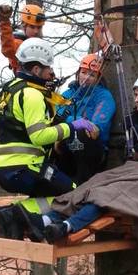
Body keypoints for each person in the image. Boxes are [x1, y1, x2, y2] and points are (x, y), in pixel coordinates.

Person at [12, 71, 138, 243]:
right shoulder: (130, 120)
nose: (137, 99)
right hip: (129, 171)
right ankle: (46, 220)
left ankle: (67, 226)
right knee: (88, 188)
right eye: (135, 95)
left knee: (108, 196)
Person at [0, 38, 96, 240]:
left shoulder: (9, 89)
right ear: (37, 70)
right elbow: (38, 136)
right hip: (25, 167)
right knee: (73, 196)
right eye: (49, 68)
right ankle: (13, 213)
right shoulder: (32, 94)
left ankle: (12, 218)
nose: (52, 73)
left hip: (4, 167)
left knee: (46, 196)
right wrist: (71, 127)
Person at [55, 53, 116, 184]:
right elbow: (57, 116)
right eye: (83, 72)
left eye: (92, 75)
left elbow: (95, 128)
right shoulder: (68, 94)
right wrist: (75, 121)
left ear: (98, 78)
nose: (86, 77)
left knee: (82, 133)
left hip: (92, 148)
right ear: (78, 73)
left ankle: (82, 183)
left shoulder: (103, 96)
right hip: (65, 146)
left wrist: (72, 121)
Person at [0, 3, 45, 71]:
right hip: (26, 80)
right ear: (24, 26)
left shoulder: (41, 45)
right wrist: (5, 21)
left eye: (39, 28)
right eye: (32, 27)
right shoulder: (20, 44)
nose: (36, 31)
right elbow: (8, 49)